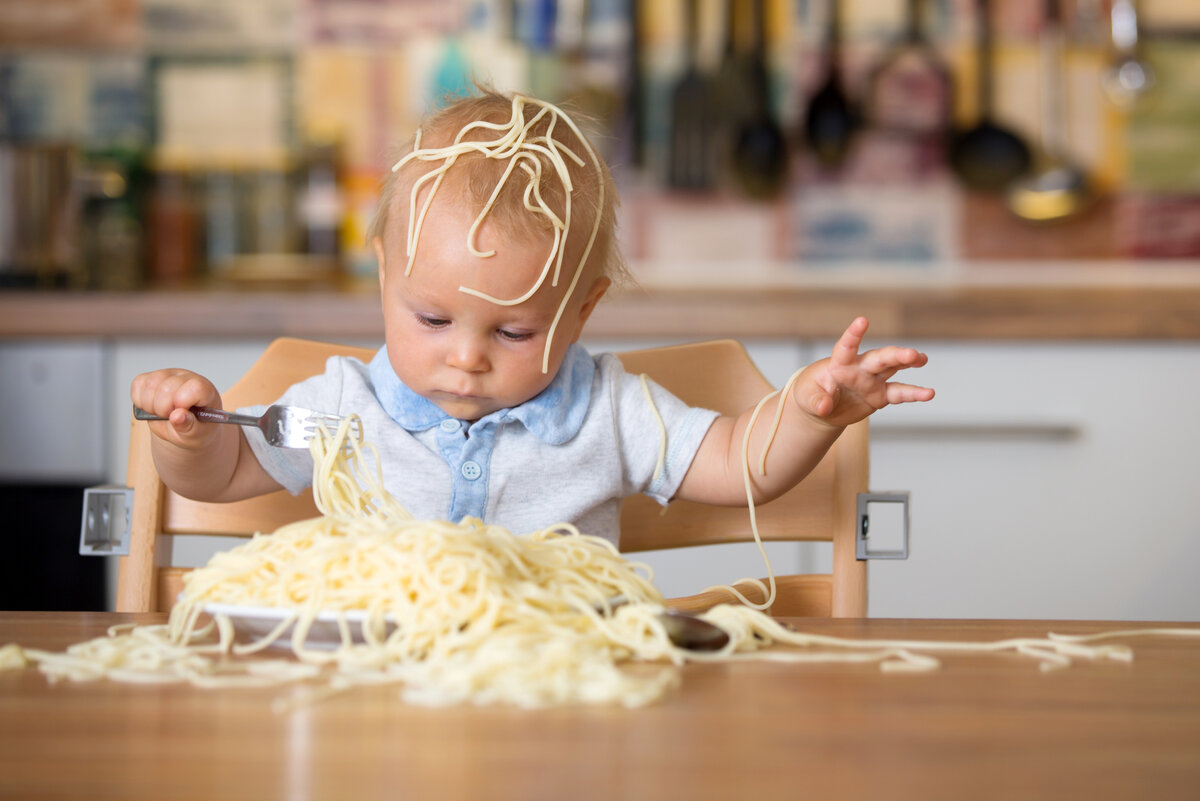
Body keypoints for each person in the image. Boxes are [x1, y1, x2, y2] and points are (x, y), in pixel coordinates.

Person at [130, 89, 934, 545]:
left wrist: (806, 410)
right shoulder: (343, 412)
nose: (467, 359)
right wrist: (190, 438)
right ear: (383, 277)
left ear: (581, 311)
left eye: (512, 331)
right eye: (431, 320)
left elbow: (737, 463)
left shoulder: (612, 413)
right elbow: (228, 474)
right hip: (378, 697)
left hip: (569, 700)